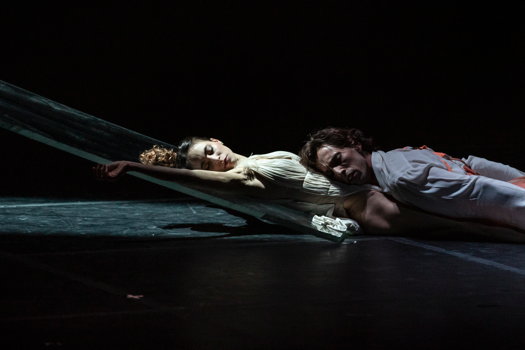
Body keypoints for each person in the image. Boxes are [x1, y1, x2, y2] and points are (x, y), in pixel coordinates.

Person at [93, 135, 525, 242]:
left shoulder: (261, 157)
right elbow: (211, 181)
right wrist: (138, 168)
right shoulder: (244, 176)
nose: (212, 160)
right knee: (470, 228)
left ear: (217, 138)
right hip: (362, 205)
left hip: (371, 191)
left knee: (470, 210)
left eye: (209, 149)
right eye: (204, 163)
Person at [299, 126, 525, 233]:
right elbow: (467, 163)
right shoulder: (394, 159)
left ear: (354, 144)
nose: (338, 172)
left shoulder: (402, 178)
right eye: (330, 172)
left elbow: (478, 192)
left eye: (338, 159)